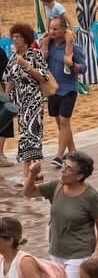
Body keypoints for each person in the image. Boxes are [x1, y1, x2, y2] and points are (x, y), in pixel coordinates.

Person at [22, 152, 98, 277]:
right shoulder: (57, 186)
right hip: (56, 251)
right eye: (63, 165)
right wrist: (32, 174)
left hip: (80, 254)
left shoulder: (91, 196)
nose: (63, 170)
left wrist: (97, 251)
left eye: (68, 168)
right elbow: (28, 192)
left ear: (80, 176)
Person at [3, 24, 50, 178]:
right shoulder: (13, 57)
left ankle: (27, 173)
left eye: (18, 37)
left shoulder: (35, 55)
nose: (15, 40)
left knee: (31, 134)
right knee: (25, 135)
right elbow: (9, 80)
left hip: (34, 100)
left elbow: (43, 77)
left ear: (26, 39)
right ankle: (34, 172)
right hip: (20, 103)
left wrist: (27, 66)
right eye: (13, 37)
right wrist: (5, 100)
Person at [44, 17, 83, 168]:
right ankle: (73, 151)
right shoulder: (49, 45)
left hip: (69, 88)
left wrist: (73, 64)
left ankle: (60, 156)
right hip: (53, 89)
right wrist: (45, 45)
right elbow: (41, 61)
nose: (52, 32)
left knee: (65, 120)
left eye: (55, 29)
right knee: (61, 123)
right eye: (50, 28)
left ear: (64, 30)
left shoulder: (74, 47)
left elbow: (83, 68)